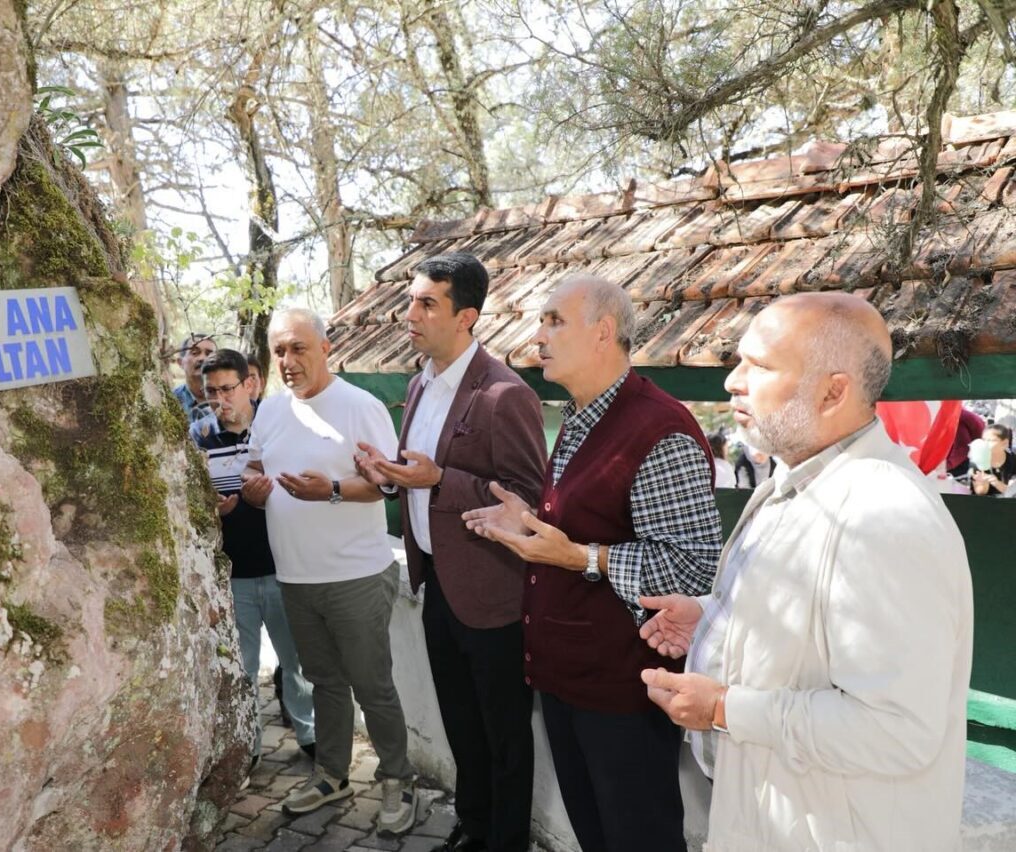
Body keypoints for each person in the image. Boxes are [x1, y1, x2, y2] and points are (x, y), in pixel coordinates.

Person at [638, 292, 973, 851]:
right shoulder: (789, 486)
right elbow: (810, 636)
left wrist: (723, 707)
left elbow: (896, 728)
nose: (732, 382)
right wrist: (714, 624)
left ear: (833, 391)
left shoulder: (884, 516)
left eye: (760, 365)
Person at [462, 274, 721, 852]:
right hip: (569, 682)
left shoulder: (660, 429)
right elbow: (590, 523)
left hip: (625, 693)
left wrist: (577, 555)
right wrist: (528, 521)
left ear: (604, 333)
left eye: (555, 320)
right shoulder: (581, 416)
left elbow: (692, 569)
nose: (539, 335)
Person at [355, 253, 547, 852]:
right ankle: (476, 827)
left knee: (505, 736)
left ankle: (506, 842)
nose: (409, 313)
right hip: (436, 583)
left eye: (425, 303)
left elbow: (528, 498)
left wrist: (439, 481)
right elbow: (422, 474)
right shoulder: (418, 384)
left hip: (493, 596)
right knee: (461, 726)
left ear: (466, 317)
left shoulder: (504, 395)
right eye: (410, 300)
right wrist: (389, 475)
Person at [241, 308, 418, 835]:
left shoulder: (359, 407)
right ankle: (332, 776)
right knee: (325, 684)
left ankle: (397, 779)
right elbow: (255, 468)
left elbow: (392, 484)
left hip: (356, 576)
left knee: (373, 686)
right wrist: (253, 489)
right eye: (279, 351)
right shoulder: (270, 411)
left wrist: (333, 490)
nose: (289, 361)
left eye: (298, 348)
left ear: (325, 347)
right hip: (294, 576)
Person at [189, 349, 315, 767]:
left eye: (228, 389)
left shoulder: (278, 426)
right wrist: (212, 512)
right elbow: (190, 503)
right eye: (211, 392)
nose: (220, 399)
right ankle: (250, 746)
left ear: (251, 385)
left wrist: (265, 500)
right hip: (233, 572)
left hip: (284, 566)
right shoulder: (198, 437)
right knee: (242, 667)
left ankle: (309, 733)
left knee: (295, 661)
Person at [172, 332, 216, 422]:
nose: (202, 358)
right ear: (180, 362)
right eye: (195, 353)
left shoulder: (228, 398)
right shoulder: (171, 401)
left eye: (209, 354)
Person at [970, 423, 1016, 496]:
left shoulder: (1013, 460)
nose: (985, 444)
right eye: (984, 440)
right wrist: (982, 484)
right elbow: (980, 493)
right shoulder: (977, 461)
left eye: (990, 440)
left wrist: (996, 483)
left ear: (1005, 443)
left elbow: (1013, 492)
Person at [946, 406, 986, 479]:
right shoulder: (959, 411)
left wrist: (947, 465)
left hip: (973, 460)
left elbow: (962, 449)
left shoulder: (957, 420)